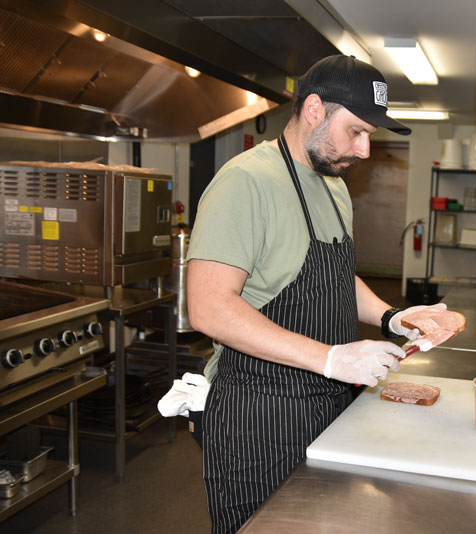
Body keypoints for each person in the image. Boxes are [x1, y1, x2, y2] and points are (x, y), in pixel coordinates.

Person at [186, 55, 447, 534]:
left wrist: (395, 317)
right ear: (313, 110)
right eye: (356, 131)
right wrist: (331, 360)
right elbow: (207, 307)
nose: (366, 150)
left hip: (326, 404)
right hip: (257, 415)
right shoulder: (246, 182)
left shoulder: (332, 186)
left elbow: (335, 277)